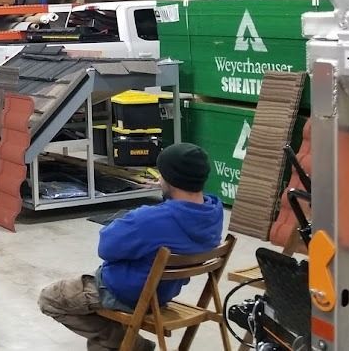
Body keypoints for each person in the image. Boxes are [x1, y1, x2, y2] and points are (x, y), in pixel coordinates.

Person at [38, 143, 224, 351]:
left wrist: (135, 219)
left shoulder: (151, 219)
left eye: (161, 174)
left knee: (50, 298)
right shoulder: (213, 213)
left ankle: (133, 344)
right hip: (163, 292)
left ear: (171, 179)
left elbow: (106, 247)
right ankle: (121, 343)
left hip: (126, 292)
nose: (159, 179)